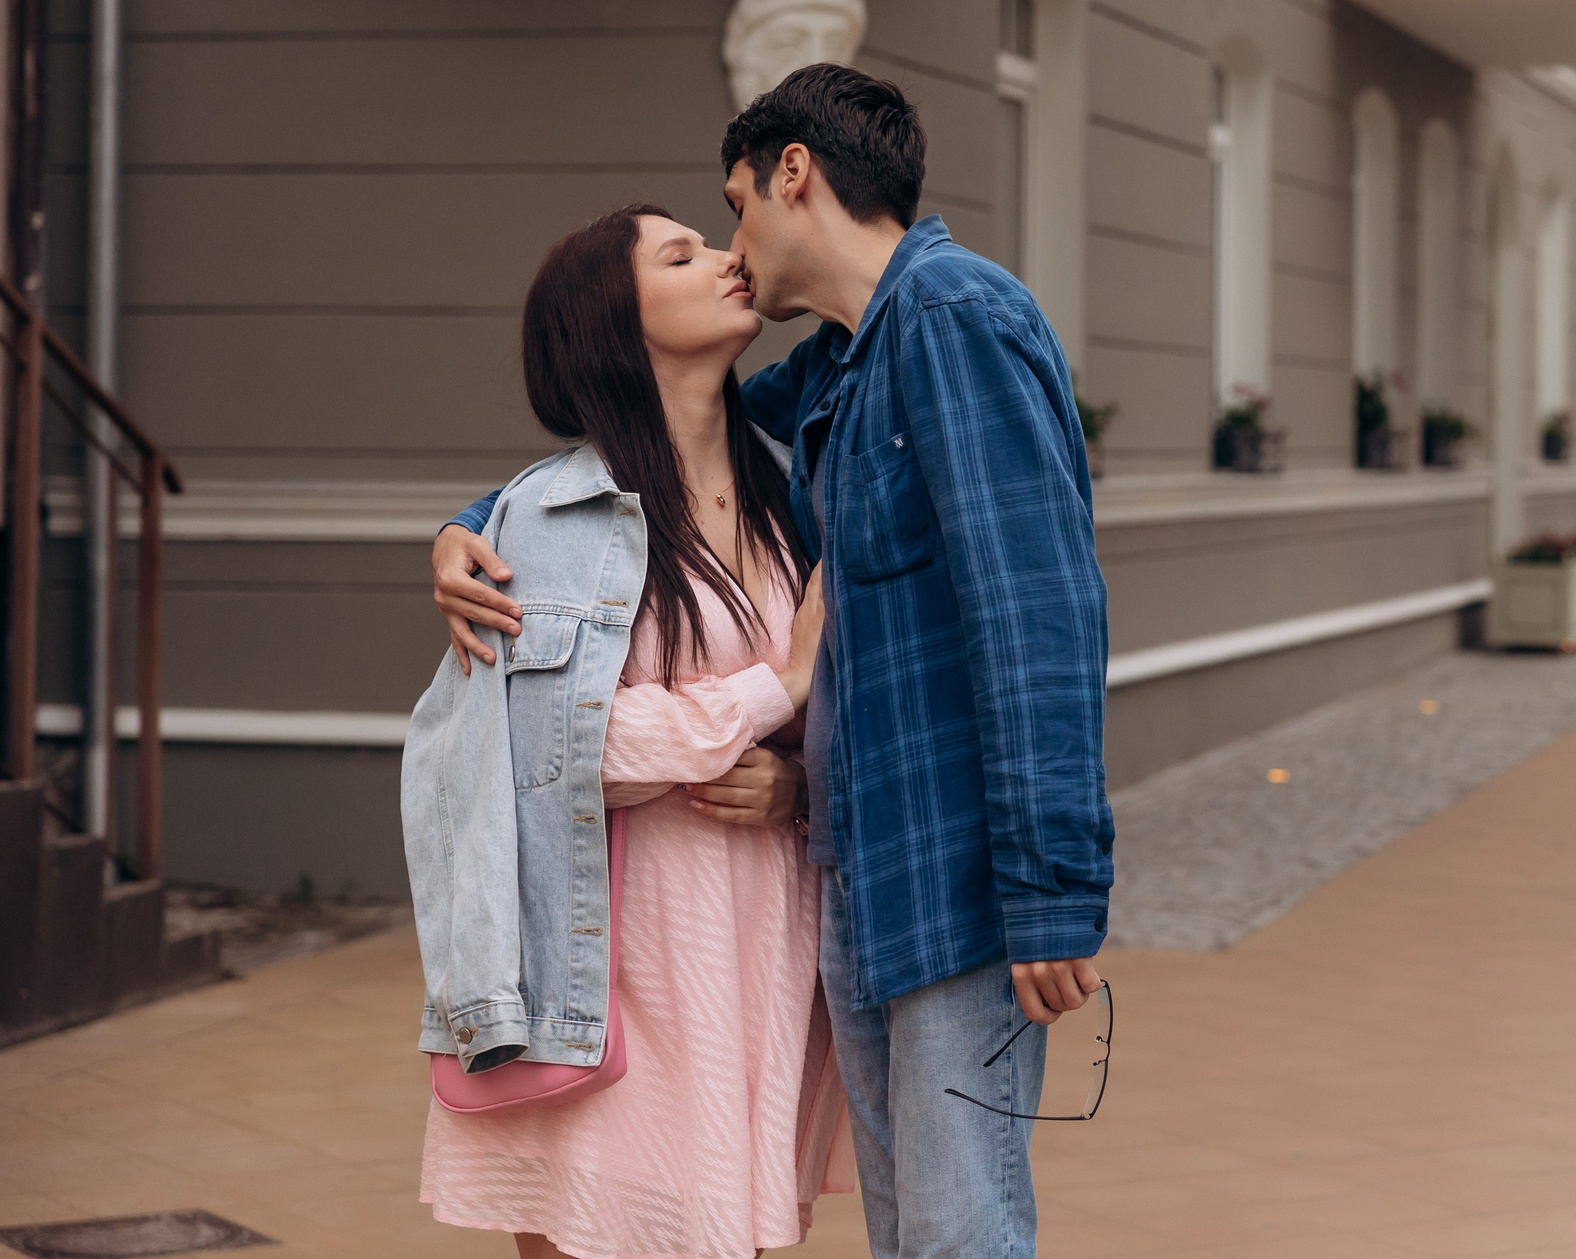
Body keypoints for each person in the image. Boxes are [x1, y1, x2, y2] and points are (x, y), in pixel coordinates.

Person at [435, 67, 1112, 1259]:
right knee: (917, 1235)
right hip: (849, 894)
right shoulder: (841, 376)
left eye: (731, 212)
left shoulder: (946, 321)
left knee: (956, 1235)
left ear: (792, 173)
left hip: (945, 885)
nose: (733, 250)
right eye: (692, 249)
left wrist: (1054, 889)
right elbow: (631, 449)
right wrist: (478, 521)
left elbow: (1035, 615)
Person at [406, 206, 853, 1259]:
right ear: (617, 318)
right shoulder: (555, 517)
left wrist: (794, 788)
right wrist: (775, 688)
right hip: (615, 962)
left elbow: (816, 719)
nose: (725, 257)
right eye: (681, 253)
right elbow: (561, 749)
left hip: (755, 946)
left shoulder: (790, 502)